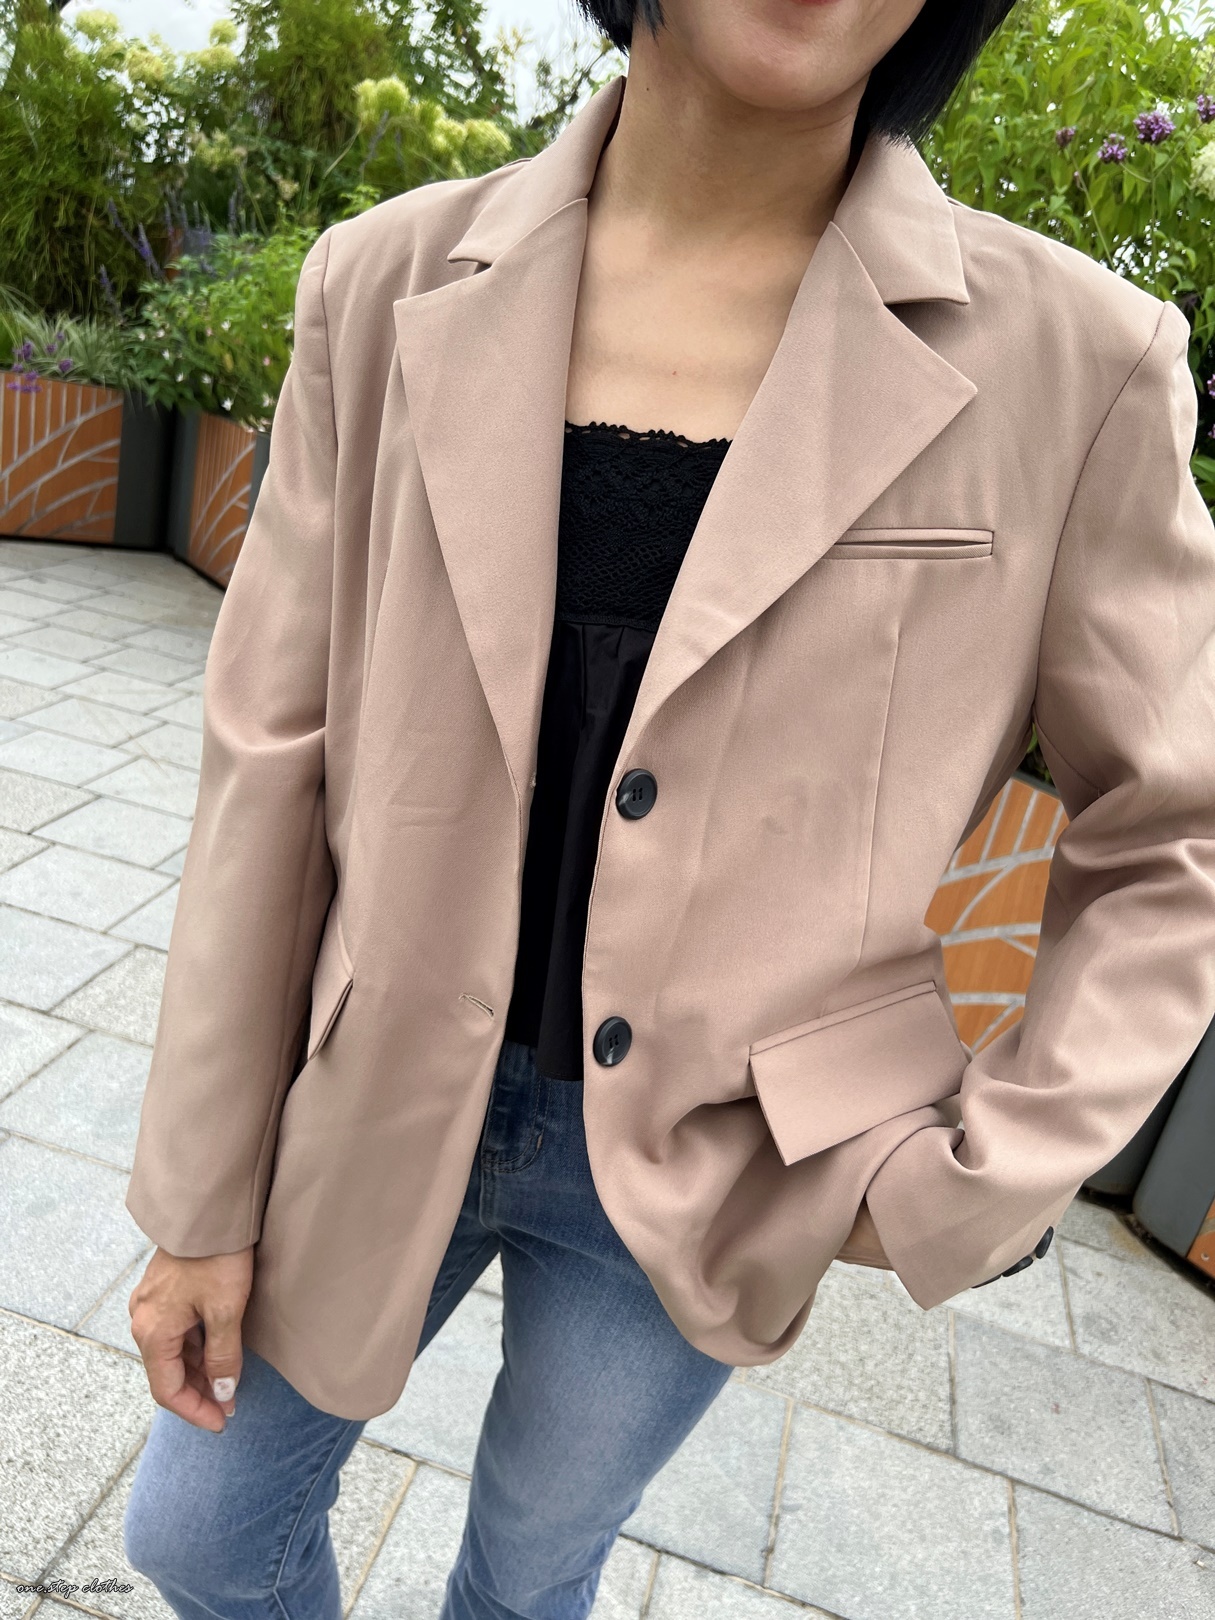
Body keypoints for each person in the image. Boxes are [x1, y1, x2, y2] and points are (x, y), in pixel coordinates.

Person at [122, 0, 1215, 1615]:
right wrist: (201, 1193)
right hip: (369, 1090)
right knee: (198, 1532)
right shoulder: (385, 280)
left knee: (529, 1578)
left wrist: (988, 1174)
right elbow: (272, 752)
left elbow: (1177, 831)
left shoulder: (1077, 365)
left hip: (719, 1158)